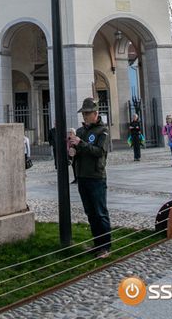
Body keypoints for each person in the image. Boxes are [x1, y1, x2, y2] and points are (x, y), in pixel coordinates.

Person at [68, 97, 111, 258]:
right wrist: (73, 152)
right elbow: (79, 151)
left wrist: (81, 144)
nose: (85, 116)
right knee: (90, 212)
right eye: (83, 113)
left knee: (100, 212)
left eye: (87, 113)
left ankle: (105, 246)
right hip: (82, 176)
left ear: (95, 113)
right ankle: (97, 243)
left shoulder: (102, 131)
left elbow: (99, 152)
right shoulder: (80, 131)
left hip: (96, 176)